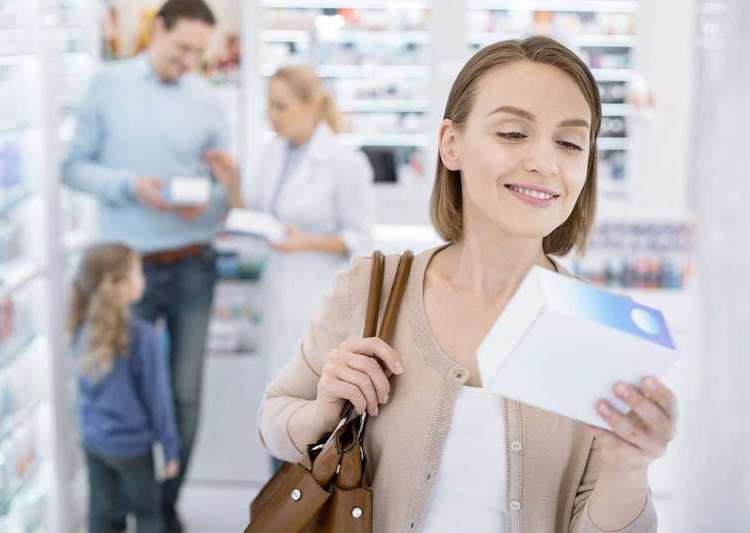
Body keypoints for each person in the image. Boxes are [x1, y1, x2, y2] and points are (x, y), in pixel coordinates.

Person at [257, 36, 677, 532]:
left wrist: (628, 469)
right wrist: (323, 413)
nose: (545, 162)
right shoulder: (371, 286)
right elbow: (274, 419)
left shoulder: (601, 334)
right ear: (450, 144)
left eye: (569, 142)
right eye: (513, 133)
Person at [62, 1, 233, 530]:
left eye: (198, 52)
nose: (188, 60)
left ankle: (162, 506)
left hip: (191, 263)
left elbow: (225, 190)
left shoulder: (209, 100)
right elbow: (73, 169)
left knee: (184, 396)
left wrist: (206, 199)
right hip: (119, 271)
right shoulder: (106, 86)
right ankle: (113, 509)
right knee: (112, 389)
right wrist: (129, 186)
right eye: (181, 47)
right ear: (155, 29)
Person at [208, 66, 373, 395]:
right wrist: (232, 184)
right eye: (269, 106)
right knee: (276, 394)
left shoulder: (345, 163)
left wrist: (304, 242)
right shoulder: (272, 155)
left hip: (318, 294)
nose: (273, 116)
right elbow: (254, 217)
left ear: (311, 106)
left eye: (281, 107)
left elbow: (361, 239)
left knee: (312, 396)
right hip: (274, 290)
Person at [68, 243, 179, 533]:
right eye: (138, 273)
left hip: (94, 443)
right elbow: (159, 400)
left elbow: (82, 393)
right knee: (147, 513)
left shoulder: (81, 331)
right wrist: (170, 448)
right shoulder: (143, 337)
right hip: (133, 447)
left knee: (101, 513)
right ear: (118, 285)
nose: (144, 280)